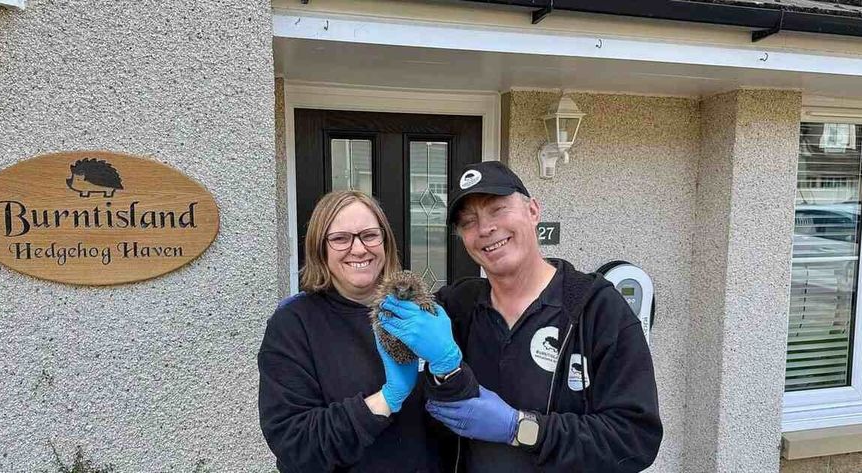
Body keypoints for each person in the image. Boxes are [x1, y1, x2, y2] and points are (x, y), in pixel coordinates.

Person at [378, 161, 663, 472]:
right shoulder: (456, 306)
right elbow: (434, 413)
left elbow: (635, 439)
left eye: (497, 209)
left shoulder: (597, 309)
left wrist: (520, 428)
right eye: (469, 222)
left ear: (533, 210)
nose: (485, 229)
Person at [258, 190, 436, 472]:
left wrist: (451, 373)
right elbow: (295, 443)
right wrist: (384, 400)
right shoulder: (294, 324)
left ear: (385, 242)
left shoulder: (415, 311)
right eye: (341, 238)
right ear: (320, 249)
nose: (359, 249)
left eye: (369, 235)